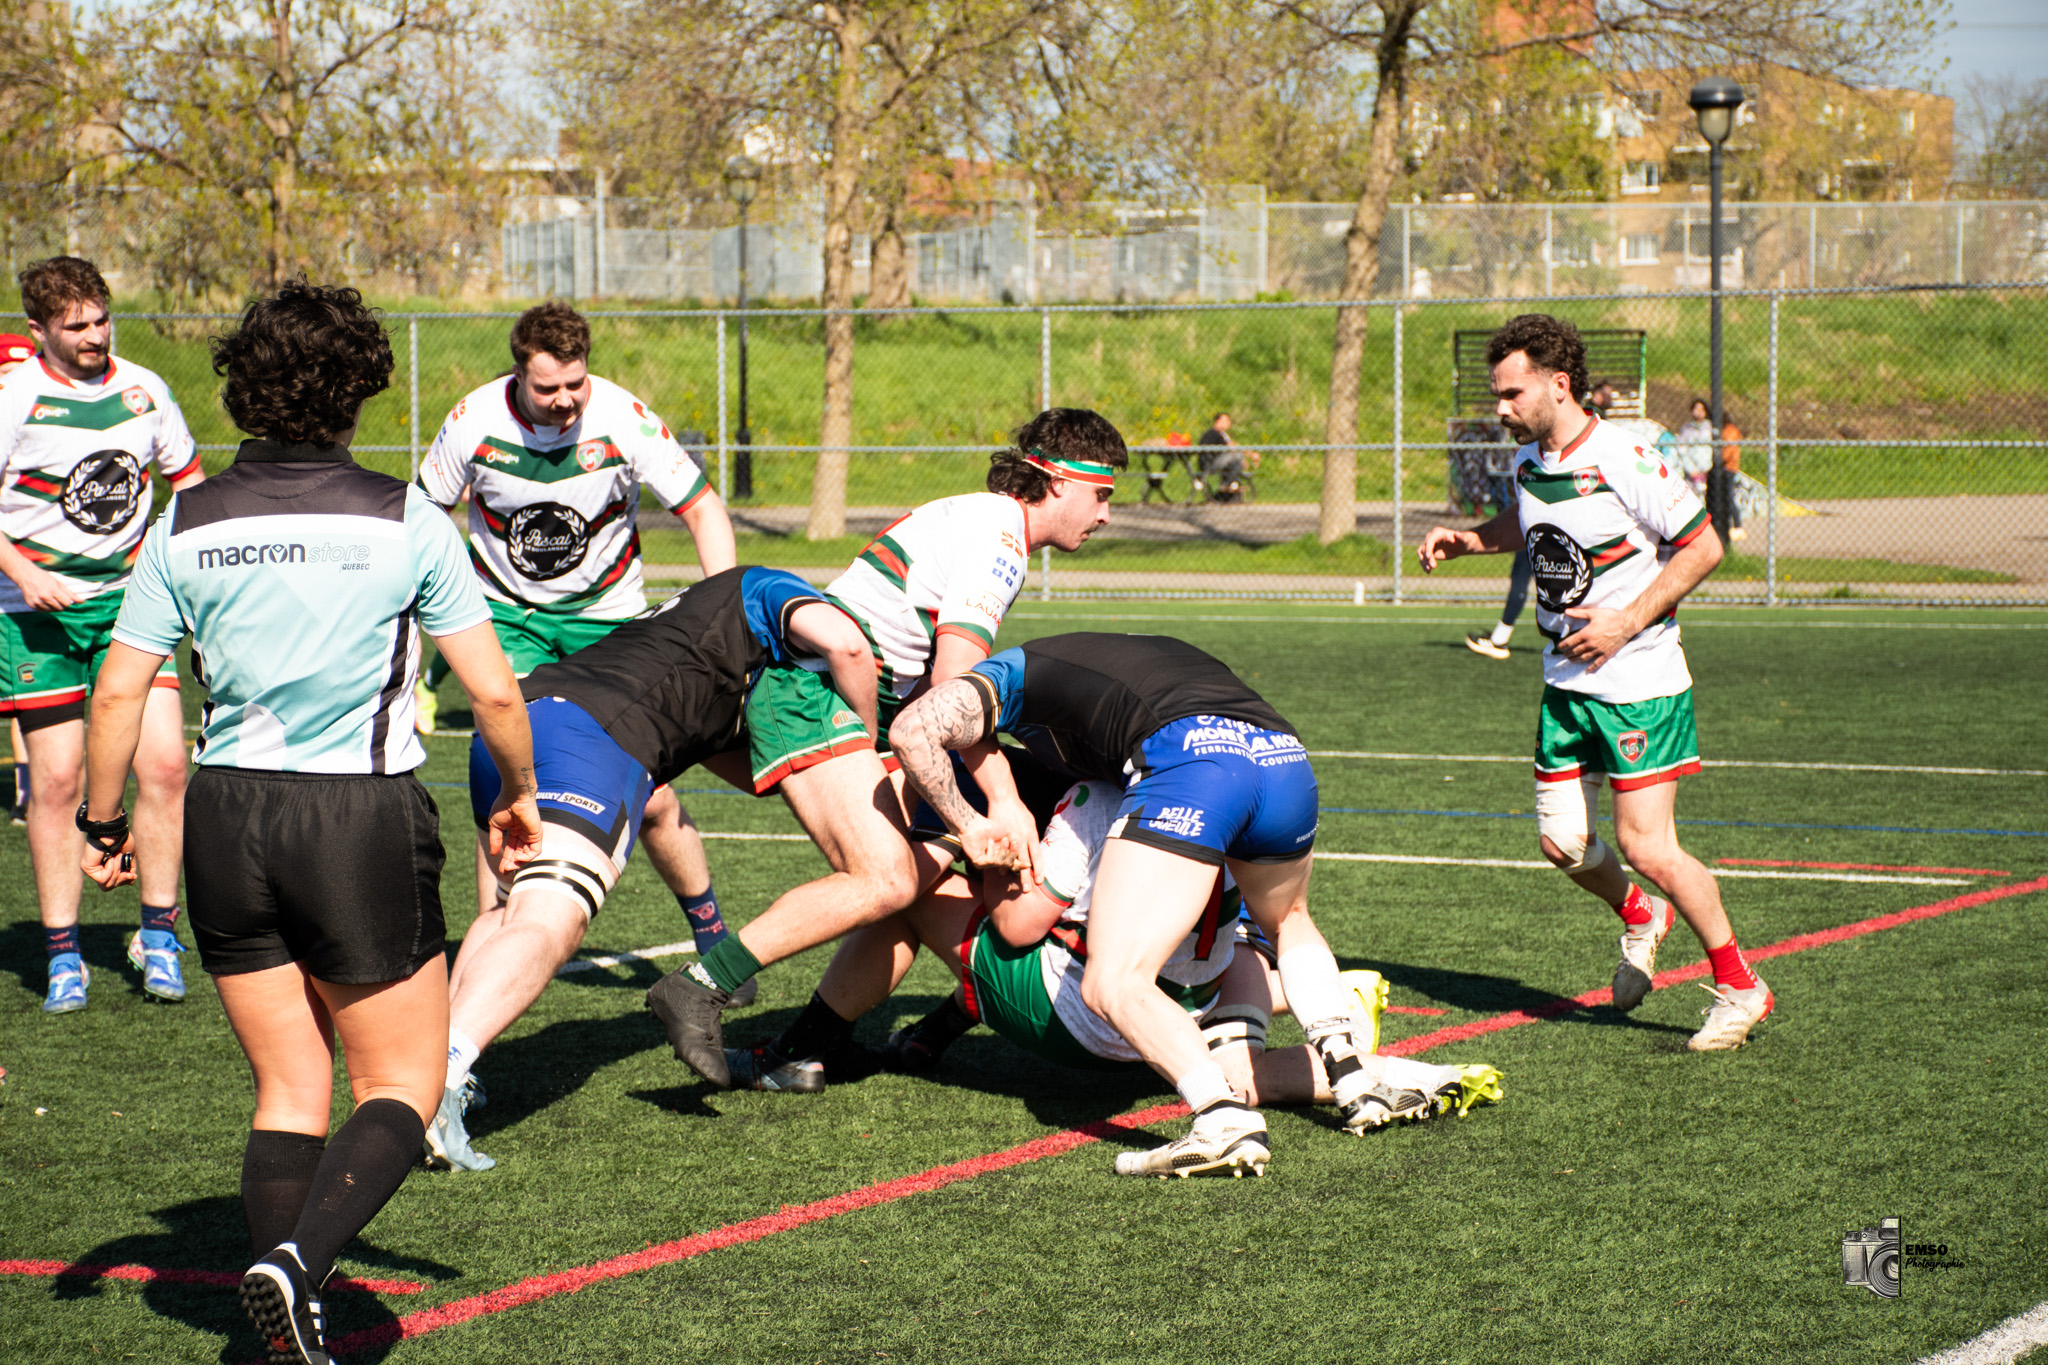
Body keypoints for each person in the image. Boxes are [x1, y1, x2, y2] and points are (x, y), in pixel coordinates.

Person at [76, 280, 541, 1365]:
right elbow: (497, 694)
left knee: (289, 1086)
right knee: (402, 1085)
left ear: (242, 389)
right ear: (361, 389)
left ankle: (282, 1337)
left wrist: (106, 824)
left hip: (224, 816)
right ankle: (297, 1264)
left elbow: (117, 694)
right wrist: (518, 795)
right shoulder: (406, 518)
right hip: (357, 816)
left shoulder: (181, 520)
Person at [643, 409, 1129, 1090]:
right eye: (1102, 494)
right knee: (892, 877)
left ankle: (807, 1044)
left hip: (833, 698)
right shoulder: (1001, 540)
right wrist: (1003, 799)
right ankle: (702, 982)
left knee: (914, 878)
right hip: (813, 695)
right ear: (1055, 480)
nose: (1106, 515)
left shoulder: (986, 519)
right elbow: (952, 687)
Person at [729, 768, 1505, 1135]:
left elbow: (1015, 931)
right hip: (1180, 1009)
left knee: (907, 891)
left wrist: (991, 867)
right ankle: (1394, 1071)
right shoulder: (1239, 793)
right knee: (1228, 1051)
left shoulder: (1099, 796)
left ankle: (802, 1047)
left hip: (1095, 1019)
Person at [881, 631, 1374, 1179]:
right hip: (1281, 754)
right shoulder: (1109, 659)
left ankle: (1221, 1119)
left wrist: (970, 826)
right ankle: (1352, 1076)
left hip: (1189, 763)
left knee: (1111, 982)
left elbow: (913, 729)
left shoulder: (1005, 684)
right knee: (1290, 923)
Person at [437, 565, 881, 1171]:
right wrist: (869, 742)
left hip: (515, 726)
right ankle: (439, 1075)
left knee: (509, 906)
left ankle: (439, 1068)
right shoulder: (763, 585)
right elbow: (846, 643)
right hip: (590, 739)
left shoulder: (700, 646)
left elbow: (752, 778)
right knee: (552, 918)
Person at [1416, 313, 1772, 1052]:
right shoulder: (1529, 459)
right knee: (1561, 842)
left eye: (1512, 394)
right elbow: (1531, 518)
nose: (1501, 408)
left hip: (1638, 681)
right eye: (1498, 396)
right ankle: (1643, 916)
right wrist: (1470, 539)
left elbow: (1702, 547)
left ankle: (1741, 985)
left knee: (1649, 846)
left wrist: (1623, 621)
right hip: (1564, 680)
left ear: (1558, 383)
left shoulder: (1624, 455)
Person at [412, 301, 751, 1020]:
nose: (565, 400)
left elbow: (702, 507)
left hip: (610, 624)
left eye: (576, 383)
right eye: (548, 388)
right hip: (510, 624)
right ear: (519, 374)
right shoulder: (473, 422)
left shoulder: (624, 418)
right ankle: (496, 944)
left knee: (653, 795)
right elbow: (421, 518)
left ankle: (711, 931)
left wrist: (723, 611)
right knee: (506, 777)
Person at [0, 258, 203, 1011]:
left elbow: (190, 483)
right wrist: (22, 572)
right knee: (54, 782)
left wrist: (168, 553)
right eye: (74, 325)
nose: (93, 335)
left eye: (100, 319)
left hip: (131, 607)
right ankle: (63, 953)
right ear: (39, 331)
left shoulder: (145, 389)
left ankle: (158, 932)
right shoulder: (17, 396)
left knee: (165, 767)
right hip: (36, 612)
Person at [1195, 411, 1258, 500]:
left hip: (1218, 462)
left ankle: (1231, 486)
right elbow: (1232, 447)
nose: (1229, 423)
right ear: (1218, 421)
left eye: (1229, 421)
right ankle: (1228, 484)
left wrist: (1244, 457)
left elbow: (1232, 446)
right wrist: (1250, 455)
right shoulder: (1214, 433)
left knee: (1236, 458)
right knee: (1235, 455)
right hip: (1209, 464)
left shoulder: (1222, 434)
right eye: (1226, 421)